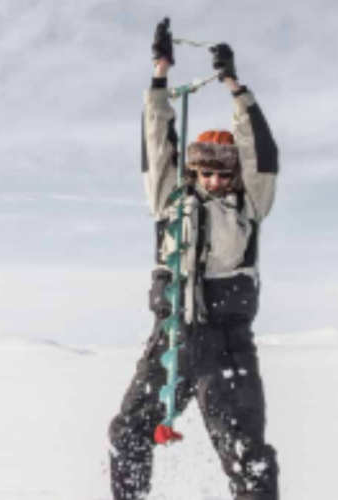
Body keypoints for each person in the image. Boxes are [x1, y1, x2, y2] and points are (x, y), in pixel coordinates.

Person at [107, 18, 280, 500]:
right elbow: (157, 143)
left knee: (248, 457)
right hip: (170, 340)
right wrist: (159, 74)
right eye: (204, 170)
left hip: (226, 346)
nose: (213, 179)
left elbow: (260, 152)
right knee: (127, 434)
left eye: (223, 171)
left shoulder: (250, 204)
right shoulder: (170, 201)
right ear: (194, 169)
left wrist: (234, 87)